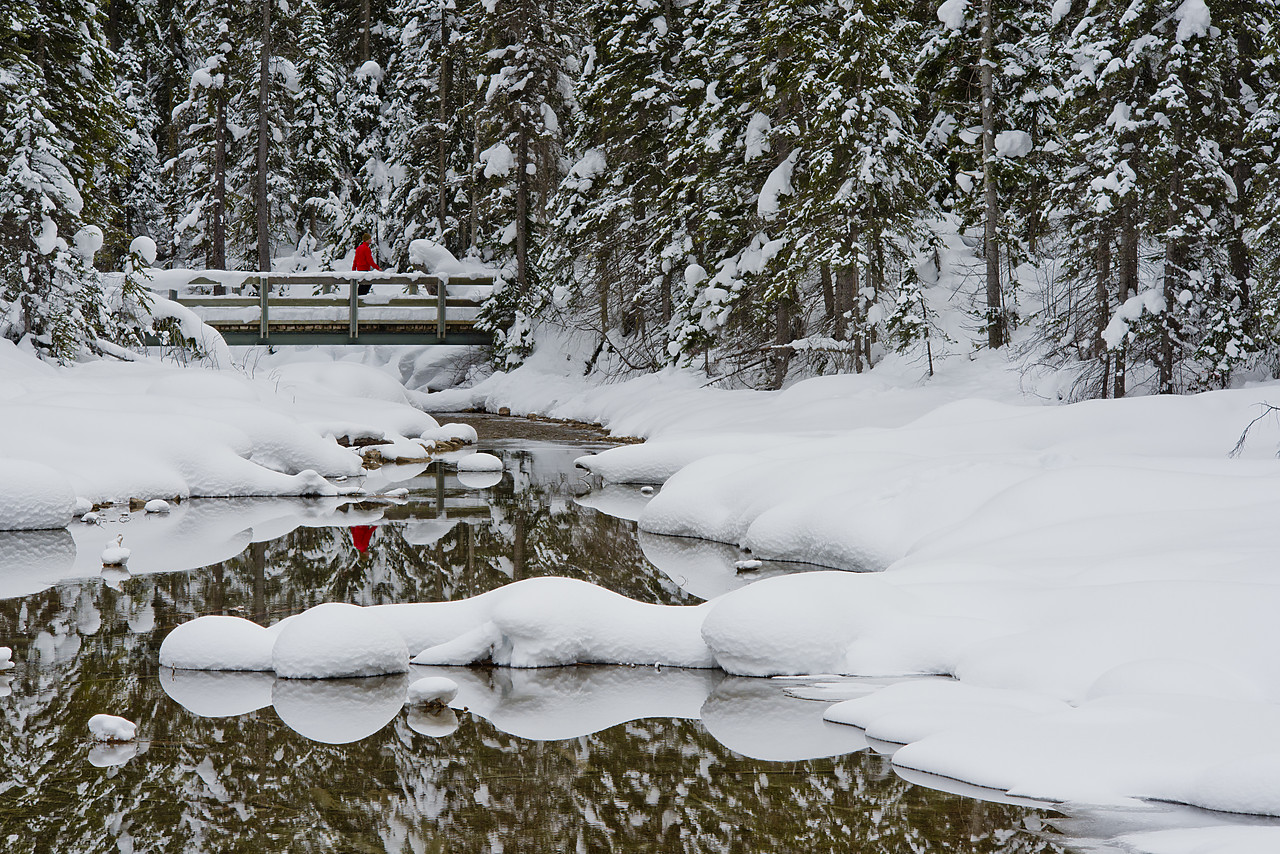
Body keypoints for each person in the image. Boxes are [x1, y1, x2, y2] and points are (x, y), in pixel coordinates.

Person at [353, 231, 380, 296]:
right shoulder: (366, 249)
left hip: (359, 270)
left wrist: (353, 269)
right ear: (367, 240)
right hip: (365, 270)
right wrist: (377, 268)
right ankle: (359, 300)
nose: (371, 240)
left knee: (362, 286)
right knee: (366, 285)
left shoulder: (359, 248)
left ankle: (357, 299)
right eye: (370, 238)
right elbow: (370, 260)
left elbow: (355, 260)